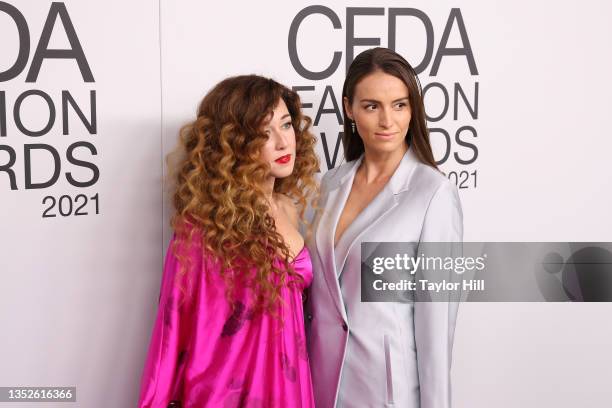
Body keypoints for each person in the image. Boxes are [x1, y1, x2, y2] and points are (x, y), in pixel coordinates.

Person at [138, 75, 319, 407]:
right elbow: (173, 329)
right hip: (230, 395)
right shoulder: (205, 227)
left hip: (291, 387)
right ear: (233, 143)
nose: (282, 142)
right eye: (263, 133)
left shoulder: (289, 209)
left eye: (287, 125)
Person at [306, 47, 463, 407]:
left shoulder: (433, 193)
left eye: (400, 105)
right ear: (349, 108)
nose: (387, 121)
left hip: (387, 391)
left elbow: (436, 326)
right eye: (372, 105)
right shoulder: (329, 184)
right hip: (319, 383)